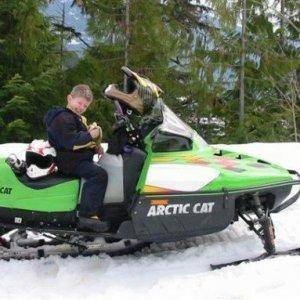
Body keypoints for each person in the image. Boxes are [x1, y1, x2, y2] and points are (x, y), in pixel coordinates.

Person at [44, 84, 109, 232]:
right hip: (69, 161)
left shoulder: (73, 117)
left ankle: (96, 208)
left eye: (85, 106)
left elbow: (79, 141)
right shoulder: (62, 117)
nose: (81, 107)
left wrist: (94, 146)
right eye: (79, 103)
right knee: (98, 175)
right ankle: (87, 217)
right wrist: (90, 135)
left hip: (75, 158)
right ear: (69, 98)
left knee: (101, 169)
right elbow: (70, 141)